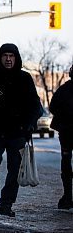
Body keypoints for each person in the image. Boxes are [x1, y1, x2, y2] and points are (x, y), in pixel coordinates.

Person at [0, 43, 41, 217]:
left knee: (15, 170)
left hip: (17, 133)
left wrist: (29, 124)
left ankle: (7, 204)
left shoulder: (24, 78)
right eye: (5, 56)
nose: (8, 59)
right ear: (0, 57)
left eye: (12, 56)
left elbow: (35, 106)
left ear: (16, 58)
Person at [49, 64, 73, 210]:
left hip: (66, 133)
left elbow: (52, 107)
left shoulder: (64, 89)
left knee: (66, 163)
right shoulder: (64, 89)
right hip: (66, 132)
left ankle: (67, 196)